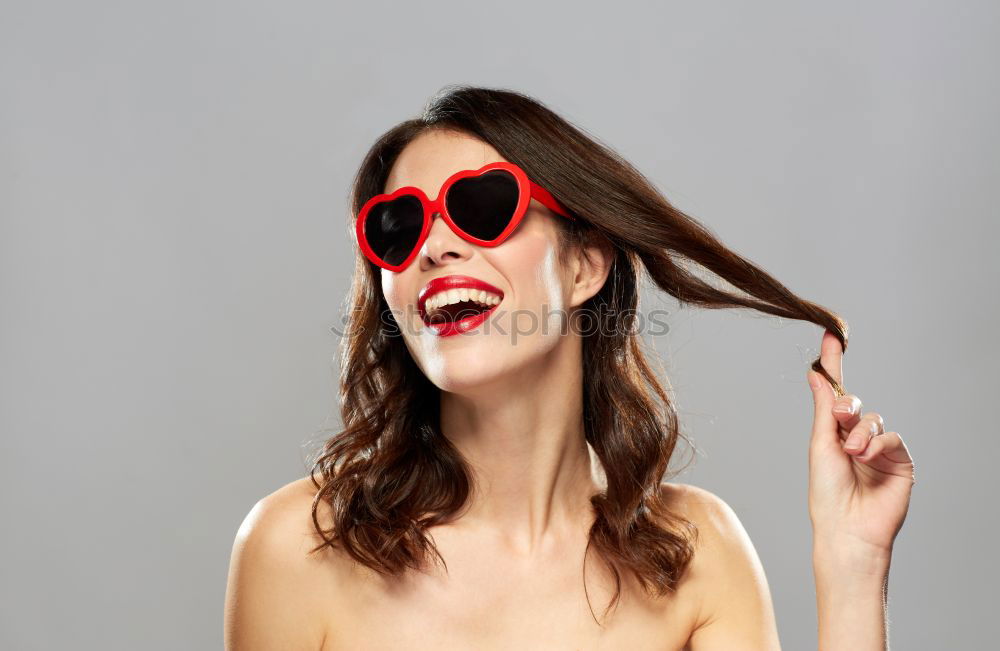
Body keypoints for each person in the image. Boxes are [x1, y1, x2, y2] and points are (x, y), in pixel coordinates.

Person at [224, 85, 915, 650]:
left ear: (584, 264)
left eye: (481, 207)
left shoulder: (698, 556)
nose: (433, 246)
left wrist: (854, 566)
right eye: (397, 230)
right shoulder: (298, 549)